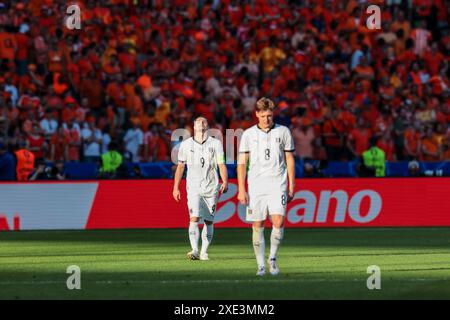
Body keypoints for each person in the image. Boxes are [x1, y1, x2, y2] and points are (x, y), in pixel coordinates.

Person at [237, 97, 295, 276]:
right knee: (258, 223)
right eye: (263, 116)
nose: (266, 119)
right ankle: (260, 264)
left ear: (273, 114)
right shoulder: (248, 134)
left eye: (269, 115)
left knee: (278, 221)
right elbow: (241, 163)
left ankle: (273, 259)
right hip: (256, 184)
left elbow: (289, 159)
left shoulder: (283, 131)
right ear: (257, 114)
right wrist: (241, 188)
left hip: (278, 183)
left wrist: (292, 185)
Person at [172, 116, 228, 261]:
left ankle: (204, 251)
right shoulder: (185, 145)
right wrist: (176, 187)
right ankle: (195, 249)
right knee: (194, 218)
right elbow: (180, 167)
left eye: (204, 122)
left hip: (211, 186)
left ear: (207, 126)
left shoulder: (215, 144)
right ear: (194, 126)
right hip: (193, 186)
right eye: (198, 122)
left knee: (209, 221)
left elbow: (221, 164)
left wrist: (225, 181)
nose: (201, 123)